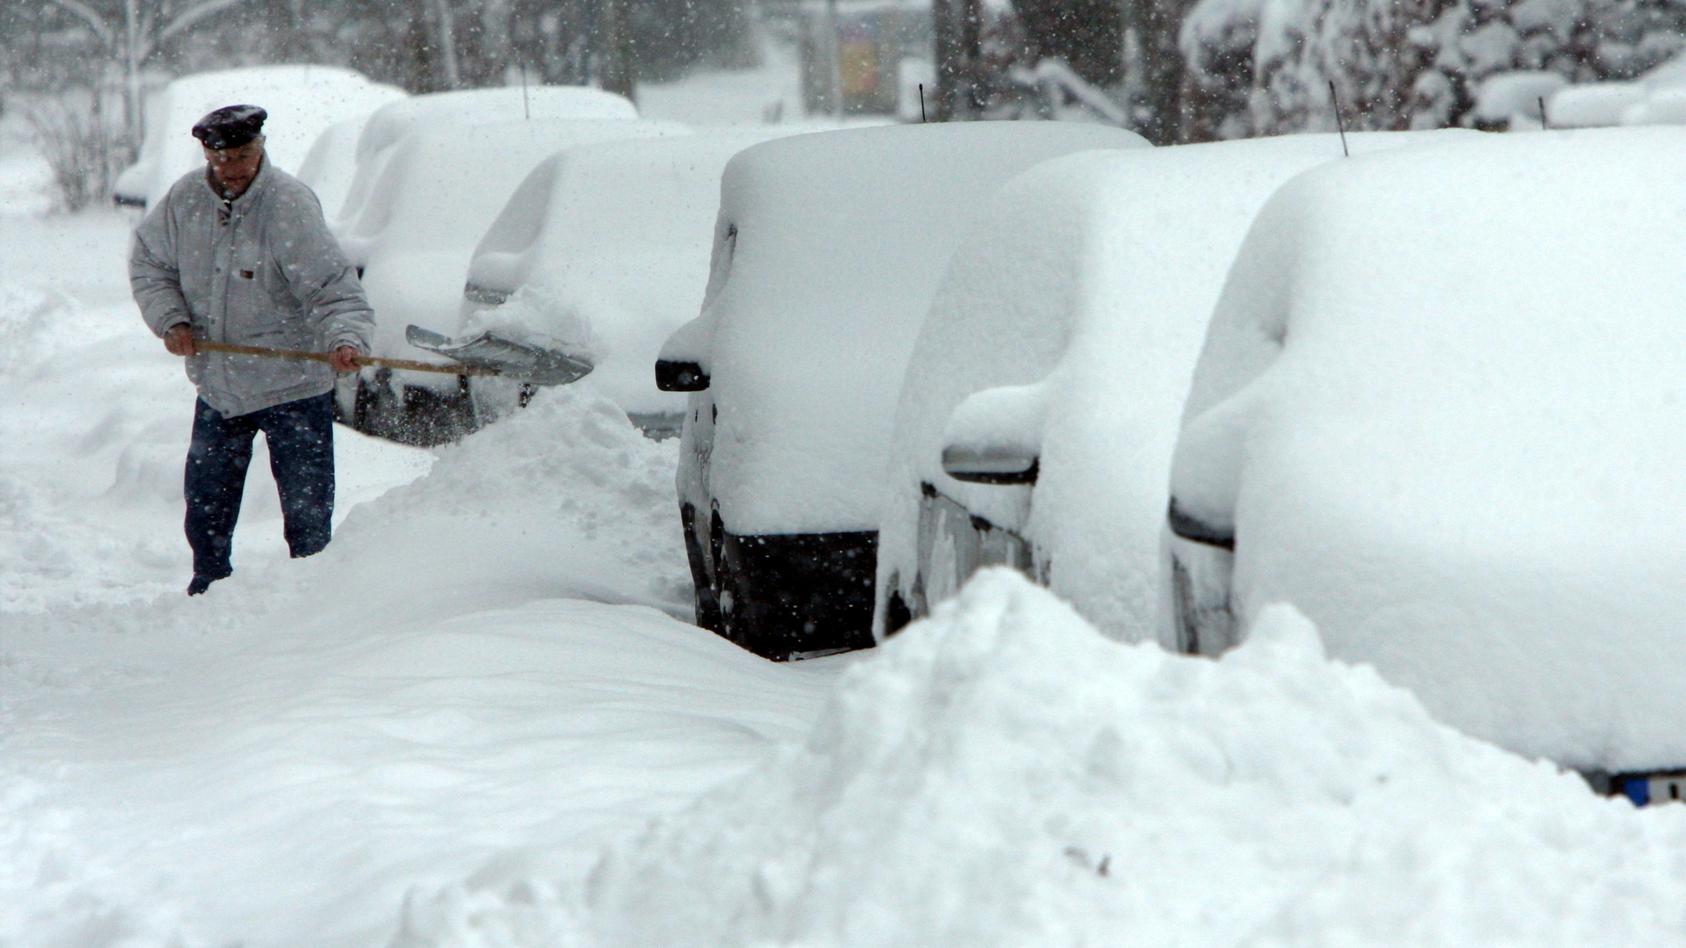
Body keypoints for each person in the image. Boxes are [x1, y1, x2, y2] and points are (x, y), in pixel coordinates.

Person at [129, 104, 375, 596]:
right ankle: (208, 588)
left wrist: (345, 338)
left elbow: (333, 287)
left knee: (307, 514)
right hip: (220, 386)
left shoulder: (288, 205)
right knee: (205, 505)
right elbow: (149, 264)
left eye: (242, 155)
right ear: (206, 155)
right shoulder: (184, 201)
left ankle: (313, 595)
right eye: (221, 159)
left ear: (260, 147)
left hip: (294, 387)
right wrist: (171, 319)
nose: (232, 169)